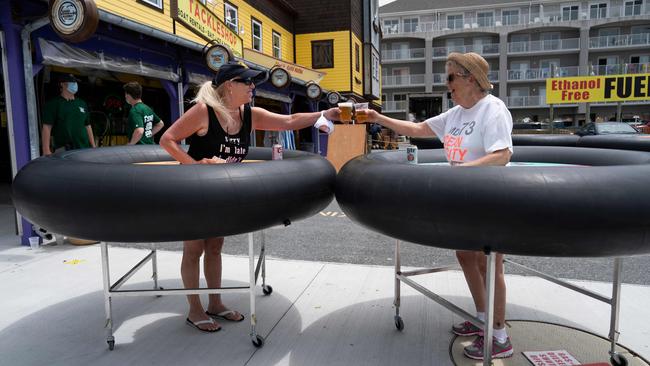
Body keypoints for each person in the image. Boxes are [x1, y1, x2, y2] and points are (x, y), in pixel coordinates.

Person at [160, 61, 338, 332]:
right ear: (230, 85)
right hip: (194, 192)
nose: (253, 86)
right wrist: (194, 166)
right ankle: (195, 310)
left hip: (220, 193)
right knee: (194, 249)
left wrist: (325, 113)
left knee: (215, 247)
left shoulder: (249, 114)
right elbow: (167, 139)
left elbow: (289, 121)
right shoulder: (203, 112)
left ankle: (216, 303)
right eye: (248, 82)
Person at [359, 52, 513, 360]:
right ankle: (482, 317)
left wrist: (458, 173)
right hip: (461, 197)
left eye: (451, 78)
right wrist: (377, 118)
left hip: (487, 197)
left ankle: (500, 335)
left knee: (489, 264)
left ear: (471, 78)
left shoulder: (492, 110)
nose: (447, 85)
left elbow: (502, 155)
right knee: (465, 256)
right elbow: (417, 129)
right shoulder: (456, 113)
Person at [41, 74, 96, 155]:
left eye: (75, 82)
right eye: (71, 82)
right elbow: (47, 127)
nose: (74, 84)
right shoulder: (53, 104)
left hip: (84, 149)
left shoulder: (82, 103)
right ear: (62, 84)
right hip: (64, 151)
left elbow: (87, 126)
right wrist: (46, 150)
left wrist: (93, 146)